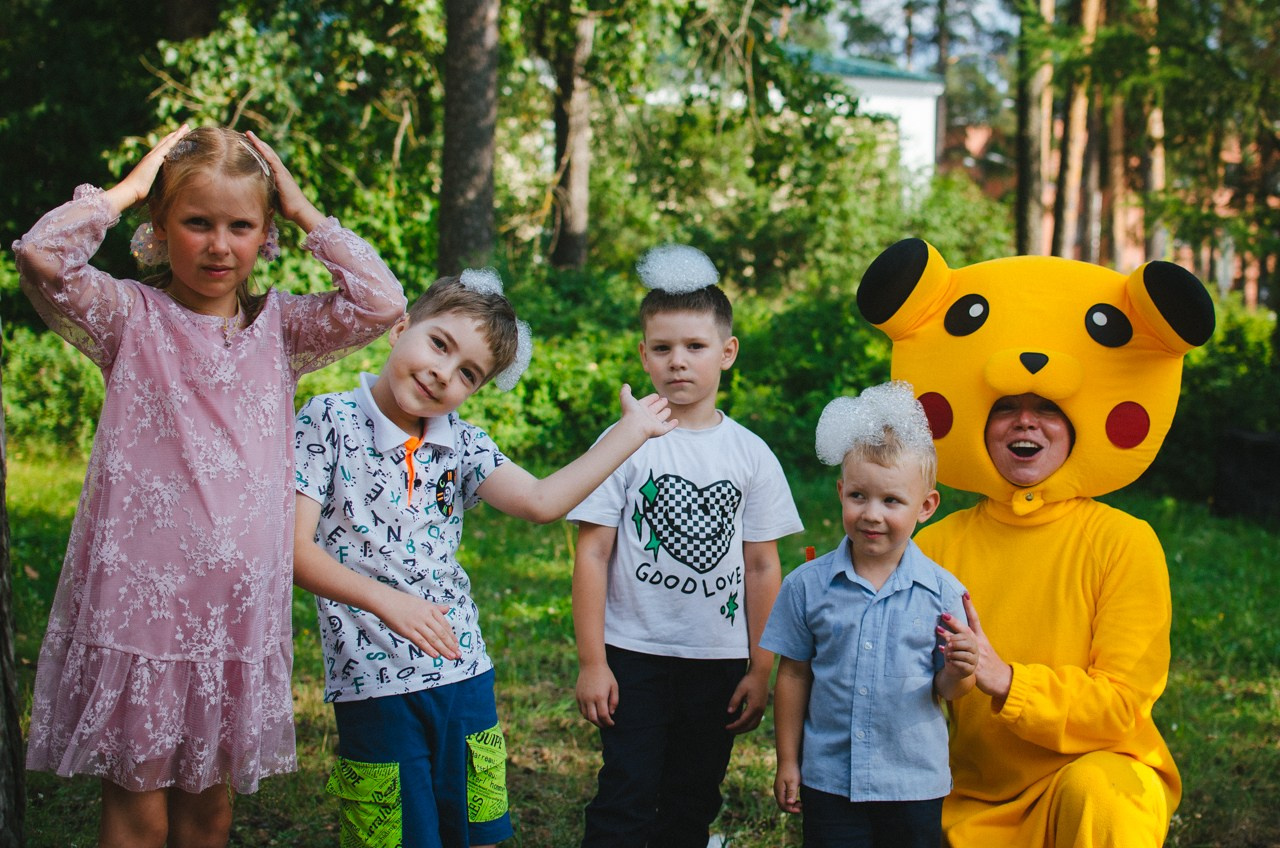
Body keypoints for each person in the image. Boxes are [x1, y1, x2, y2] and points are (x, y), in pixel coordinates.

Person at [14, 124, 407, 847]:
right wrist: (129, 190)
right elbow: (43, 256)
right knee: (137, 804)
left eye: (240, 226)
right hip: (142, 605)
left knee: (211, 809)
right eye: (197, 223)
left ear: (265, 237)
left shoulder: (283, 328)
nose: (219, 245)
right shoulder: (131, 317)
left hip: (235, 609)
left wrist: (303, 211)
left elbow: (382, 303)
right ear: (161, 230)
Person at [292, 268, 677, 848]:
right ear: (400, 328)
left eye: (467, 373)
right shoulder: (329, 420)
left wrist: (631, 432)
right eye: (439, 344)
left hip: (464, 673)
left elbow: (542, 501)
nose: (442, 373)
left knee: (478, 833)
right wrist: (385, 601)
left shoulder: (463, 443)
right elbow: (291, 552)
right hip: (371, 682)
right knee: (394, 838)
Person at [854, 238, 1217, 847]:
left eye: (1049, 407)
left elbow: (1123, 707)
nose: (1027, 422)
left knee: (1100, 794)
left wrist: (1007, 680)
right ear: (978, 423)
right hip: (970, 803)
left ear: (1079, 425)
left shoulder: (1125, 542)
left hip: (1096, 781)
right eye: (1007, 408)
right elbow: (894, 687)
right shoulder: (934, 546)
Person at [569, 244, 805, 848]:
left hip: (717, 660)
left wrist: (759, 665)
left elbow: (761, 565)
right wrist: (594, 662)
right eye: (662, 348)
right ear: (643, 355)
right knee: (626, 790)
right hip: (632, 653)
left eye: (695, 347)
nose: (679, 362)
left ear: (726, 353)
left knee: (693, 796)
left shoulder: (750, 454)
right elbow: (592, 553)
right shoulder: (625, 441)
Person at [761, 381, 976, 848]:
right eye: (859, 496)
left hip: (913, 783)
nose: (871, 514)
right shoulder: (808, 586)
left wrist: (962, 670)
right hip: (831, 778)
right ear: (840, 492)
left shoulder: (943, 593)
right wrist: (788, 760)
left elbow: (947, 688)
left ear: (926, 507)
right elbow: (794, 675)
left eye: (892, 501)